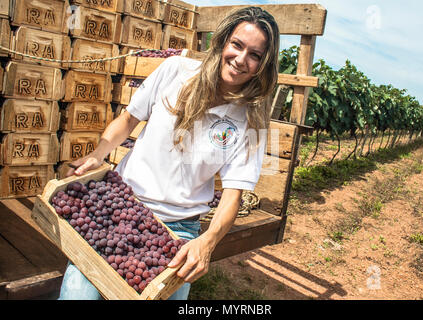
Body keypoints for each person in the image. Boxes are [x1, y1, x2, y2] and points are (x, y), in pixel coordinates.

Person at [58, 6, 280, 300]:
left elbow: (233, 195)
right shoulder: (176, 70)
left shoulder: (250, 121)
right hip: (120, 204)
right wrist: (99, 153)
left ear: (264, 65)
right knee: (79, 295)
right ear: (223, 41)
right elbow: (128, 120)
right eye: (237, 45)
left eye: (255, 55)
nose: (240, 60)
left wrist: (208, 241)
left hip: (177, 229)